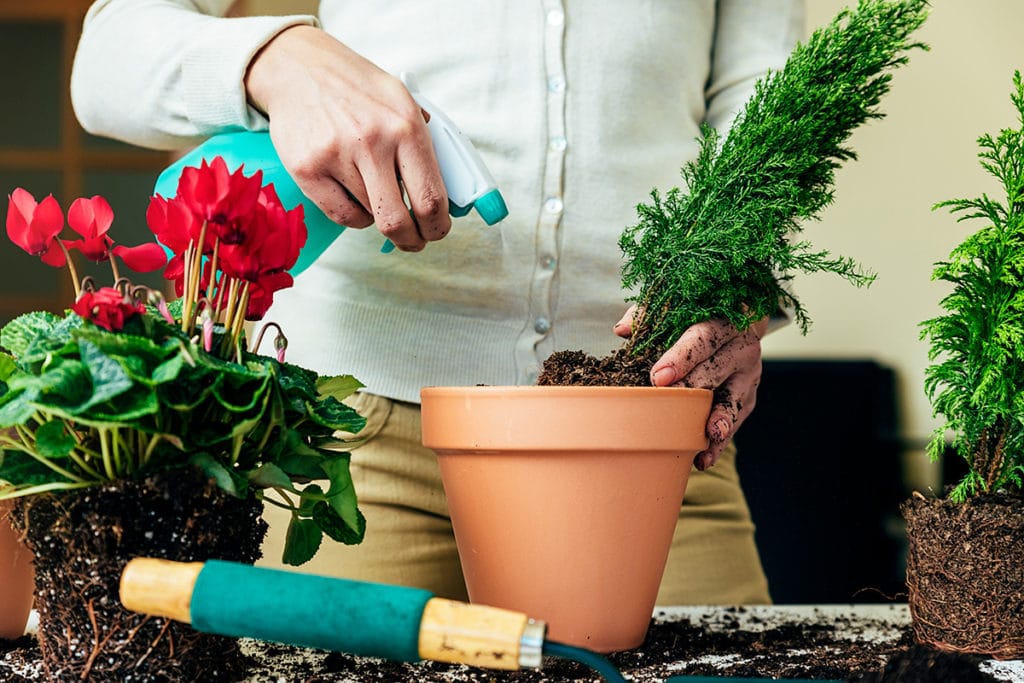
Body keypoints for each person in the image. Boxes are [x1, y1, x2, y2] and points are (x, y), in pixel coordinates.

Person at [71, 0, 804, 605]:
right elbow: (106, 61)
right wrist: (283, 59)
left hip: (652, 433)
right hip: (360, 449)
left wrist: (737, 276)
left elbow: (765, 96)